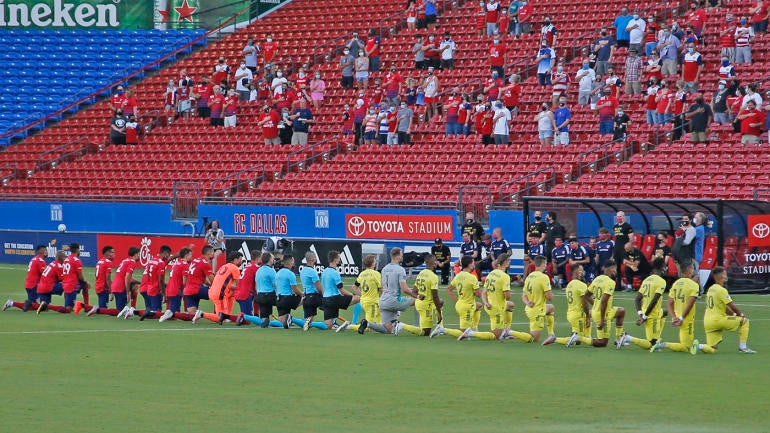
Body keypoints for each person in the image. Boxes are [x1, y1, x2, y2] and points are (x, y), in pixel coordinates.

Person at [699, 267, 756, 354]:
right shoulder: (721, 290)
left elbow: (723, 307)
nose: (726, 275)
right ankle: (743, 347)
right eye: (725, 273)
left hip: (707, 322)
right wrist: (740, 314)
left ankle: (698, 346)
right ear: (722, 275)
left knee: (713, 349)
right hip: (717, 320)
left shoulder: (711, 289)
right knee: (744, 321)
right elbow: (732, 305)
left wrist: (733, 314)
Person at [572, 259, 626, 348]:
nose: (615, 271)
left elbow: (586, 295)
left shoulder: (597, 279)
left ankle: (618, 339)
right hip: (602, 314)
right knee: (602, 343)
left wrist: (595, 304)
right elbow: (604, 301)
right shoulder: (610, 282)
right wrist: (602, 319)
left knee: (621, 311)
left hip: (601, 311)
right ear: (611, 268)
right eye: (614, 269)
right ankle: (579, 338)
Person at [650, 260, 699, 354]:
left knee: (686, 345)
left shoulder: (676, 284)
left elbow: (669, 303)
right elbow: (690, 303)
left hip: (677, 317)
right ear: (689, 270)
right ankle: (663, 344)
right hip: (686, 318)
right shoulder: (693, 285)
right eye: (692, 268)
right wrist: (681, 318)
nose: (693, 270)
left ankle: (662, 344)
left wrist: (674, 317)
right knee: (687, 347)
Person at [618, 258, 667, 350]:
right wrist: (644, 317)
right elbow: (654, 301)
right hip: (652, 314)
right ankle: (628, 338)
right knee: (652, 345)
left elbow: (637, 299)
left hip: (645, 311)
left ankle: (657, 337)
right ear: (661, 267)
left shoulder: (647, 280)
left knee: (665, 312)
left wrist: (641, 314)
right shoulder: (661, 281)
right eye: (664, 266)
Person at [431, 256, 481, 339]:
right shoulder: (472, 277)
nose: (474, 264)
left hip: (459, 305)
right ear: (469, 265)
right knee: (464, 333)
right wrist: (481, 291)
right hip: (467, 307)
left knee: (478, 305)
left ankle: (474, 328)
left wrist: (456, 301)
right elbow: (478, 294)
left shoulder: (458, 276)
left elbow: (449, 289)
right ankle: (442, 329)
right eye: (472, 263)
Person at [375, 248, 422, 335]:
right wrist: (417, 295)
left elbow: (382, 287)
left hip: (383, 301)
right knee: (418, 301)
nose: (402, 257)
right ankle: (417, 326)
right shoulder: (400, 269)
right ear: (398, 256)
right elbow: (405, 289)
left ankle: (368, 324)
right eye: (401, 255)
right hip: (394, 300)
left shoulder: (384, 269)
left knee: (388, 330)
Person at [546, 264, 590, 346]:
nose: (582, 272)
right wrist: (587, 315)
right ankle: (555, 339)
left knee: (575, 336)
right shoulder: (581, 285)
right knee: (578, 340)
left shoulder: (569, 285)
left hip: (570, 314)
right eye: (581, 270)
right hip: (578, 315)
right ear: (576, 271)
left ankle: (587, 336)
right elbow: (584, 302)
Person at [321, 251, 361, 330]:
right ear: (335, 259)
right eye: (339, 258)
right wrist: (352, 295)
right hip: (334, 299)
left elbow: (323, 287)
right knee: (359, 298)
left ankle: (309, 323)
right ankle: (353, 323)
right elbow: (342, 291)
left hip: (326, 299)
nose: (340, 260)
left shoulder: (324, 271)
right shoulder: (335, 273)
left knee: (328, 325)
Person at [521, 255, 555, 344]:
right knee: (533, 339)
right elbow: (550, 297)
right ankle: (510, 333)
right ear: (543, 264)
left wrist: (528, 303)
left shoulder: (529, 276)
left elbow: (523, 295)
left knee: (551, 308)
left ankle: (551, 334)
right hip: (537, 311)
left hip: (529, 308)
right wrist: (548, 292)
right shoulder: (544, 277)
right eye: (546, 263)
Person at [351, 254, 389, 334]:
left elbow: (354, 287)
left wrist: (363, 295)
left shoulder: (362, 274)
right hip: (372, 302)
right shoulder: (376, 274)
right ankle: (349, 326)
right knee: (370, 326)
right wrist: (387, 297)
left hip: (366, 301)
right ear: (372, 263)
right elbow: (381, 288)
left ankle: (382, 330)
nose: (375, 263)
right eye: (375, 261)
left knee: (379, 322)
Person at [137, 245, 172, 321]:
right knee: (156, 312)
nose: (168, 257)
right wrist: (163, 293)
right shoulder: (161, 263)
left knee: (151, 311)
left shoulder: (152, 260)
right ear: (166, 253)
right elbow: (161, 280)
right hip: (156, 289)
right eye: (168, 255)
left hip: (149, 287)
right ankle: (133, 311)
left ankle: (135, 311)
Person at [411, 254, 443, 336]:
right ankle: (402, 326)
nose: (436, 262)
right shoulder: (433, 276)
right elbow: (435, 296)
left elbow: (413, 291)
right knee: (426, 332)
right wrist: (439, 312)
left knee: (441, 302)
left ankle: (440, 327)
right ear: (433, 263)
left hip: (419, 303)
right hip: (426, 306)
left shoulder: (421, 273)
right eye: (435, 260)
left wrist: (418, 296)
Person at [159, 247, 193, 322]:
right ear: (186, 255)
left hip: (169, 289)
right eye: (190, 255)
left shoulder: (176, 263)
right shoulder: (185, 265)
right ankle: (168, 313)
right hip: (176, 290)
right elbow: (184, 281)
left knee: (173, 317)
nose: (191, 257)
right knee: (174, 313)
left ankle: (168, 313)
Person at [183, 246, 214, 321]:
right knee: (219, 294)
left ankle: (172, 313)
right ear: (209, 253)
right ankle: (219, 316)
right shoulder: (205, 263)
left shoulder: (195, 260)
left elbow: (200, 278)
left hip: (188, 291)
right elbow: (212, 280)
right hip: (197, 289)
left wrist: (208, 285)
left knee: (192, 315)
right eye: (212, 252)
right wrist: (215, 288)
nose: (213, 254)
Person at [299, 251, 326, 331]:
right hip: (314, 297)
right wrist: (324, 296)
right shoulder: (313, 272)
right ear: (313, 259)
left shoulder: (302, 271)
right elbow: (318, 287)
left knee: (309, 319)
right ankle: (334, 322)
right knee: (330, 307)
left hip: (306, 297)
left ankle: (305, 322)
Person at [113, 247, 141, 318]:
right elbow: (127, 277)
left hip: (115, 286)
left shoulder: (125, 260)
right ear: (135, 254)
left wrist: (139, 282)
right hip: (120, 287)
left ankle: (132, 308)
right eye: (139, 254)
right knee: (119, 311)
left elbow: (128, 278)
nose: (139, 255)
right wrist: (128, 292)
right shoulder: (132, 262)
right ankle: (130, 309)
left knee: (135, 285)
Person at [275, 255, 302, 328]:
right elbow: (295, 290)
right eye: (293, 261)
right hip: (287, 299)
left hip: (278, 299)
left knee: (281, 321)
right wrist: (302, 295)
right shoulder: (290, 274)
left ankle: (266, 322)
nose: (294, 263)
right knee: (307, 299)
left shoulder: (278, 273)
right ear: (290, 262)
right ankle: (303, 320)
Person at [21, 245, 47, 311]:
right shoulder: (40, 261)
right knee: (36, 306)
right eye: (45, 250)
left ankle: (14, 303)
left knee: (33, 306)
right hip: (33, 285)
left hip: (28, 284)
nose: (47, 252)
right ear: (41, 251)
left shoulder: (34, 259)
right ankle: (13, 303)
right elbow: (45, 275)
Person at [612, 211, 634, 287]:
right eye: (618, 216)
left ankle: (630, 286)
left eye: (620, 216)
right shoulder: (615, 227)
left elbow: (631, 238)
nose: (619, 218)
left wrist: (629, 245)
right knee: (617, 268)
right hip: (617, 250)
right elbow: (616, 238)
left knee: (627, 267)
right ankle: (618, 286)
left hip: (625, 250)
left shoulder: (627, 226)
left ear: (624, 217)